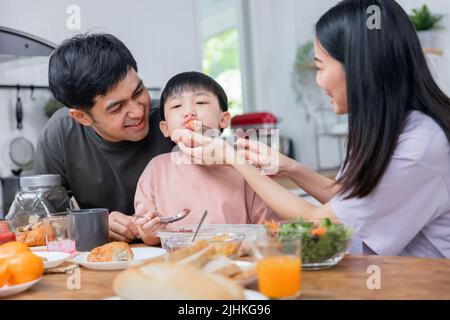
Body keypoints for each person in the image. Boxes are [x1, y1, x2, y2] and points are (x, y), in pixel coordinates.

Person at [176, 0, 450, 258]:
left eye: (320, 67)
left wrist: (235, 160)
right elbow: (345, 197)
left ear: (358, 68)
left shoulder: (420, 145)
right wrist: (287, 167)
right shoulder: (387, 128)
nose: (318, 81)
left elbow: (322, 222)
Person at [33, 34, 174, 243]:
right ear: (82, 117)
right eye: (117, 107)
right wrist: (93, 225)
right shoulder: (60, 134)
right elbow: (40, 222)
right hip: (104, 262)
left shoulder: (172, 117)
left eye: (138, 92)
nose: (137, 112)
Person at [133, 72, 277, 245]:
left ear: (223, 120)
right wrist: (150, 230)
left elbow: (269, 229)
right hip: (179, 264)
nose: (189, 112)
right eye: (177, 106)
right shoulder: (156, 169)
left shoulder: (243, 166)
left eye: (200, 102)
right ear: (165, 128)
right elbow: (148, 234)